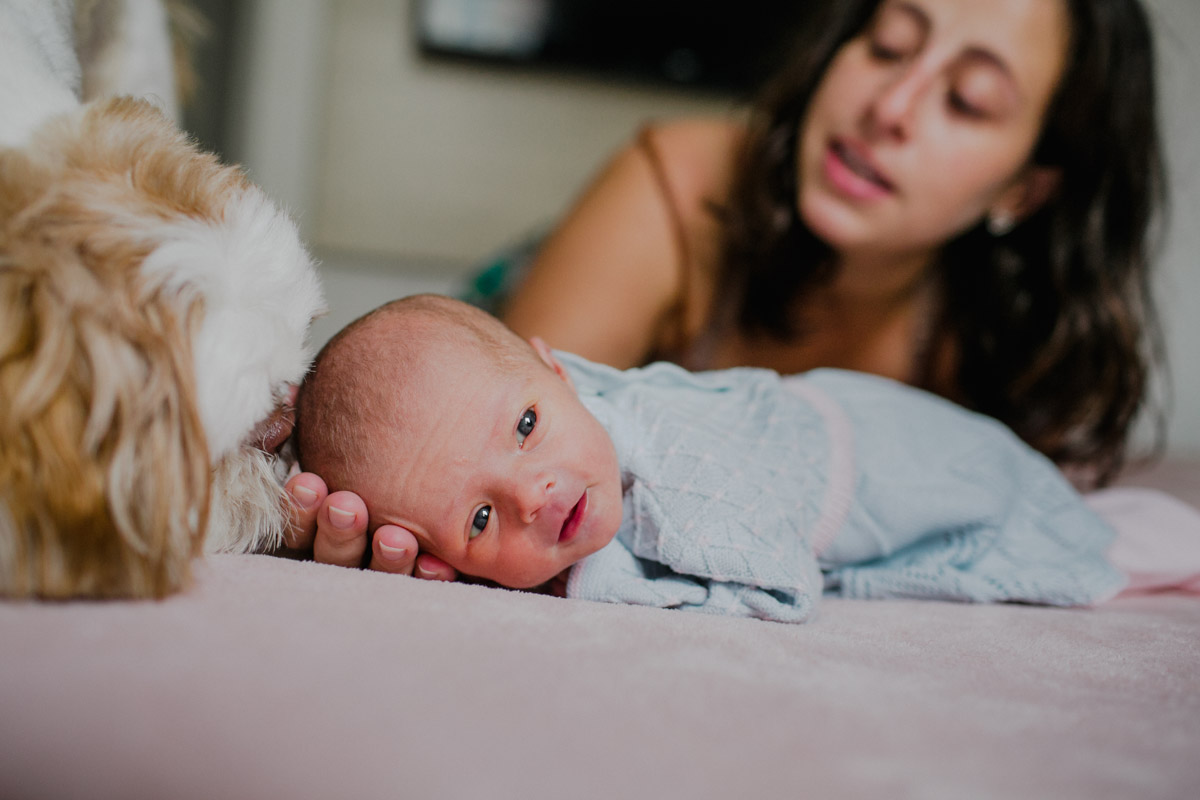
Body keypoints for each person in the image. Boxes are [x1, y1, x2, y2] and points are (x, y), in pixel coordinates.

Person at [285, 0, 1165, 582]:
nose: (889, 105)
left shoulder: (1009, 337)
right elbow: (493, 449)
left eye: (967, 101)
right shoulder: (676, 189)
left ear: (1026, 190)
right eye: (888, 43)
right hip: (471, 334)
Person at [293, 294, 1126, 622]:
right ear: (443, 564)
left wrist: (583, 579)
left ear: (559, 371)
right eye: (478, 519)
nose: (532, 494)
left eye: (524, 428)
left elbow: (781, 585)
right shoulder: (563, 445)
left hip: (891, 452)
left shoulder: (669, 457)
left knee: (1042, 523)